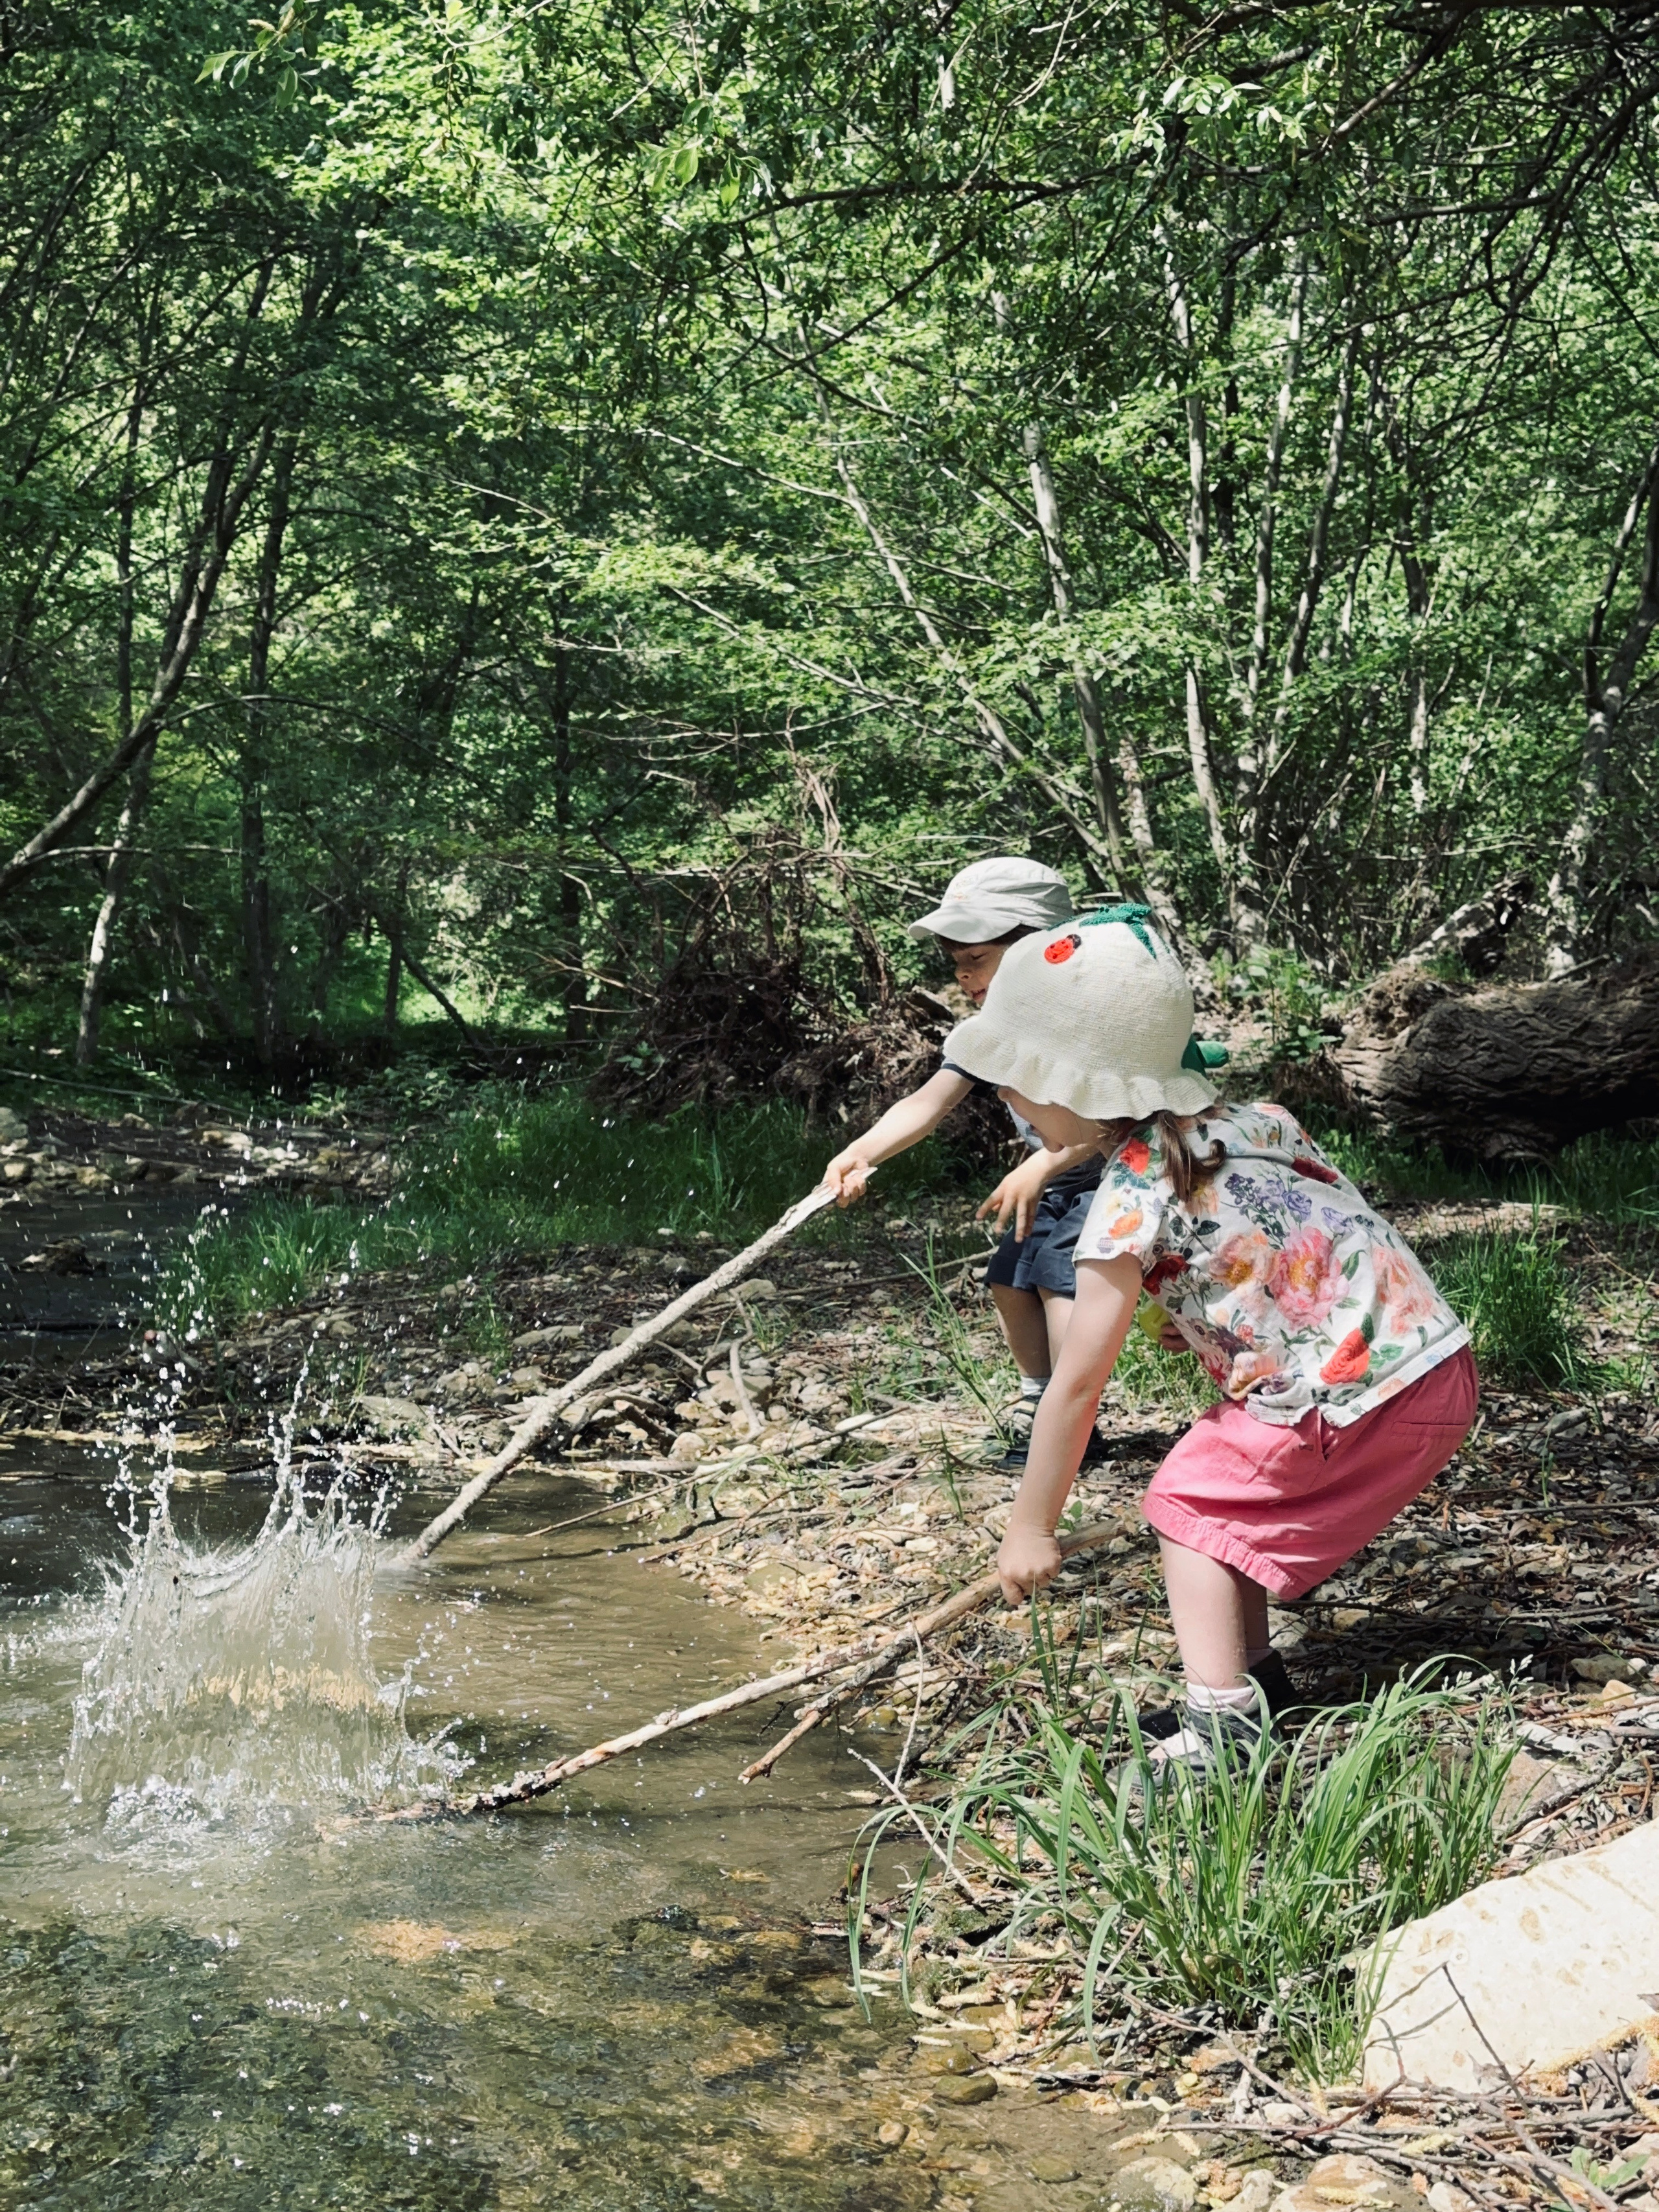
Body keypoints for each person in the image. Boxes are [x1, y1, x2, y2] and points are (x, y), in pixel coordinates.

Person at [940, 904, 1478, 1774]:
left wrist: (1031, 1526)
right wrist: (1057, 1155)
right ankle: (1256, 1682)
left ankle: (1223, 1730)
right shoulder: (1255, 1120)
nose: (1006, 1096)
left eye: (1015, 1078)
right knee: (1226, 1492)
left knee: (1187, 1505)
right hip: (1429, 1362)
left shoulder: (1126, 1205)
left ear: (1070, 1083)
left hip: (1348, 1396)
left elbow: (1077, 1385)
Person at [822, 856, 1106, 1467]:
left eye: (976, 961)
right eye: (957, 965)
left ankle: (1073, 1417)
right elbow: (928, 1102)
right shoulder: (993, 1032)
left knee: (1062, 1278)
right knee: (1008, 1274)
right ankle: (1037, 1394)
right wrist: (860, 1151)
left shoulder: (1093, 1019)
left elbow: (1122, 1123)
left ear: (1036, 947)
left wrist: (1042, 1166)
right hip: (1053, 1179)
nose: (964, 978)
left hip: (1118, 1177)